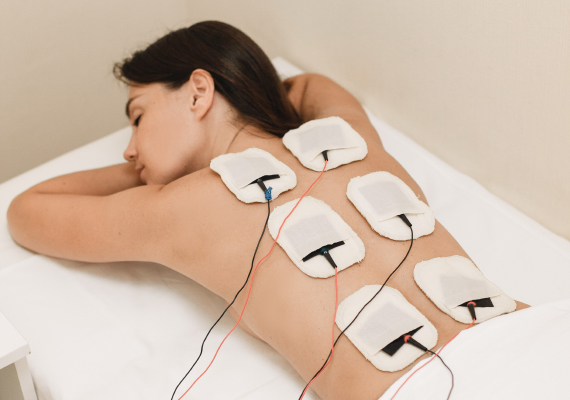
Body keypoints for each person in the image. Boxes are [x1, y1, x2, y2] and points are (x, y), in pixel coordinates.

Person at [6, 21, 529, 400]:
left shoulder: (180, 207)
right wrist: (248, 111)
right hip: (535, 340)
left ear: (198, 92)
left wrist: (156, 172)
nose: (128, 150)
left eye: (138, 118)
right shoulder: (351, 138)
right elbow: (310, 85)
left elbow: (27, 210)